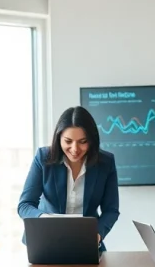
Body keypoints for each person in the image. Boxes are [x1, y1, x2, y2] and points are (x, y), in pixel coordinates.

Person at [18, 106, 119, 249]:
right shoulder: (43, 158)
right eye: (68, 141)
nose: (75, 149)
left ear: (92, 140)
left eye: (83, 142)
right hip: (45, 241)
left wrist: (97, 234)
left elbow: (111, 210)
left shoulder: (105, 163)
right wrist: (45, 220)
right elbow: (25, 205)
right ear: (58, 138)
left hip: (87, 242)